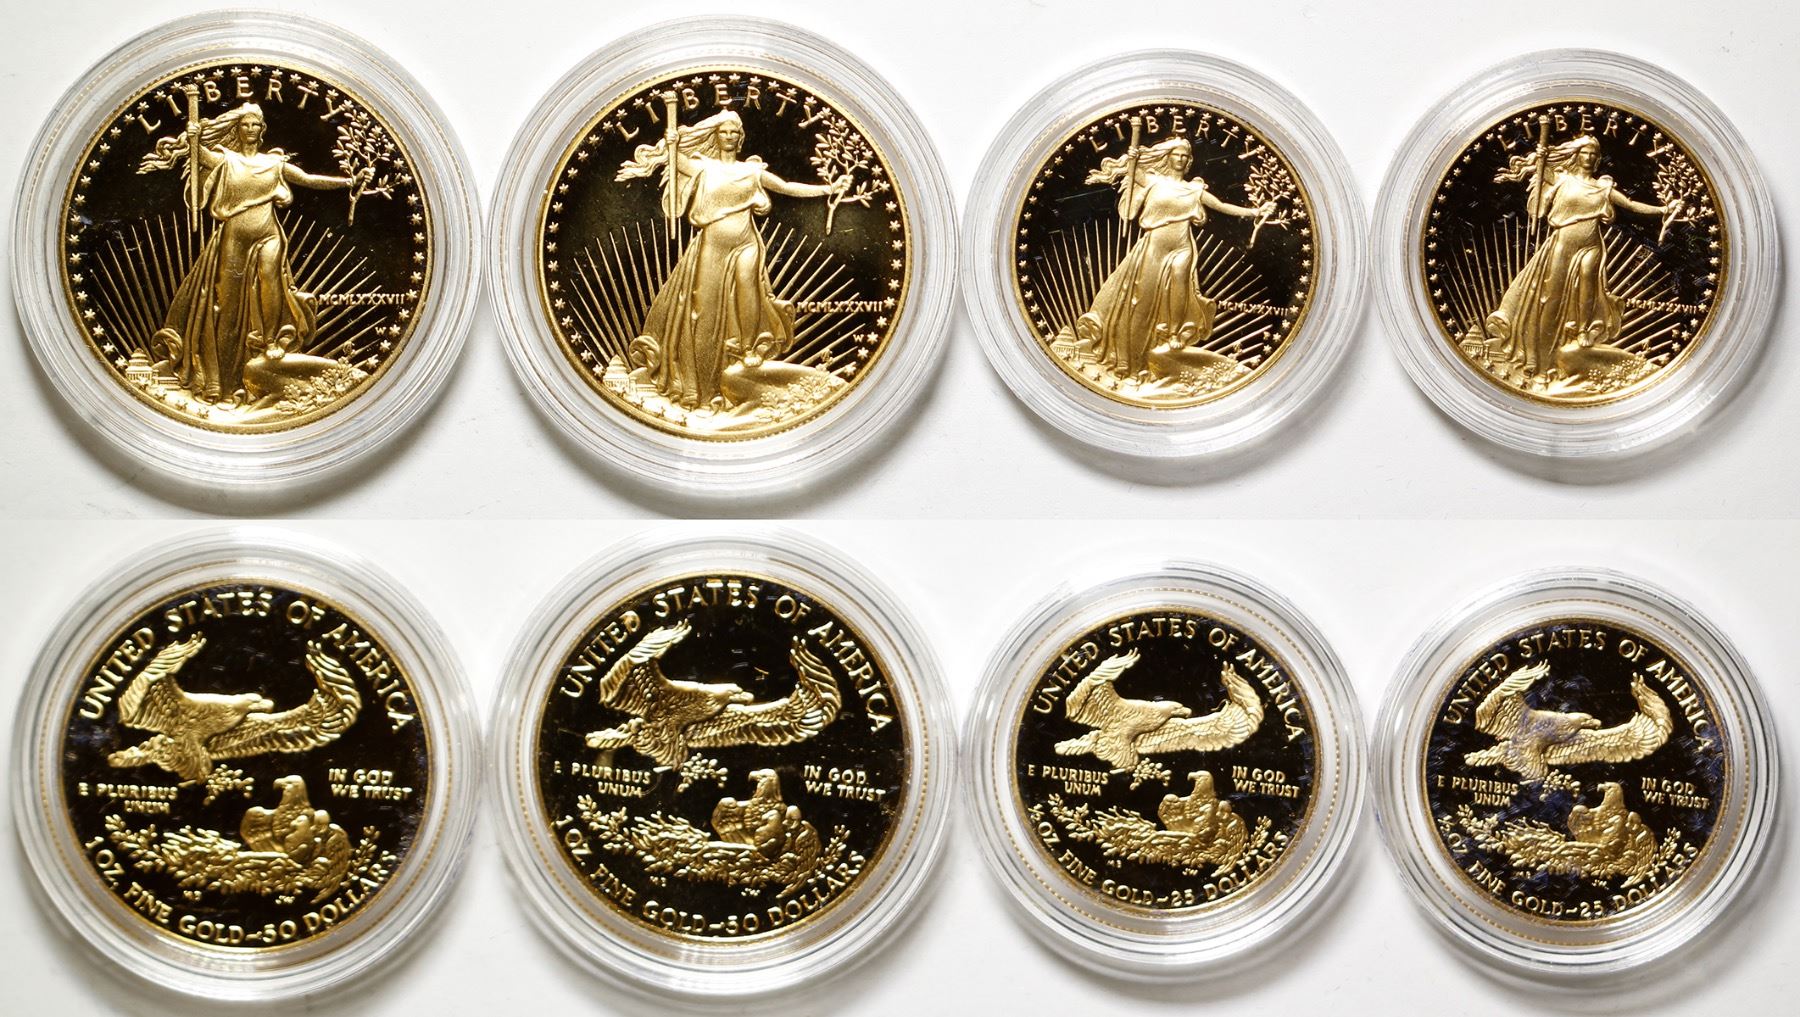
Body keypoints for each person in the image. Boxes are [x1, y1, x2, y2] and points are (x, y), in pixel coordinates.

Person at [616, 109, 848, 410]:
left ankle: (749, 350)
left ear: (740, 139)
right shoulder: (703, 167)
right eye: (724, 131)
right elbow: (676, 160)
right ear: (716, 136)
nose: (728, 136)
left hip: (746, 242)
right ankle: (698, 383)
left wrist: (829, 189)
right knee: (702, 309)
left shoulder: (752, 172)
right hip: (712, 244)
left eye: (734, 132)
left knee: (747, 292)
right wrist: (670, 142)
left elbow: (787, 187)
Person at [141, 103, 367, 404]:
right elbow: (201, 156)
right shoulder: (227, 159)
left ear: (262, 130)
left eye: (255, 125)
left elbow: (309, 179)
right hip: (234, 236)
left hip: (268, 233)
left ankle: (271, 341)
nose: (250, 129)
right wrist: (192, 137)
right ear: (238, 129)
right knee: (227, 301)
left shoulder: (274, 163)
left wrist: (350, 182)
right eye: (245, 124)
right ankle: (219, 377)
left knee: (270, 282)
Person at [1465, 135, 1679, 382]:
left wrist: (1663, 210)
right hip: (1563, 244)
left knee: (1588, 284)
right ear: (1576, 155)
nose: (1589, 157)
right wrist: (1541, 176)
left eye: (1593, 154)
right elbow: (1539, 210)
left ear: (1598, 160)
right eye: (1585, 152)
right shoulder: (1562, 180)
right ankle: (1539, 359)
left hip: (1591, 244)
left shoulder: (1603, 187)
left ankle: (1583, 331)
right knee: (1550, 297)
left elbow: (1630, 204)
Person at [1075, 137, 1274, 378]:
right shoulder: (1153, 181)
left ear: (1189, 161)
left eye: (1184, 156)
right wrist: (1132, 157)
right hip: (1154, 246)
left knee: (1180, 284)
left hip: (1182, 246)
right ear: (1167, 157)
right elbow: (1132, 174)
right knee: (1141, 299)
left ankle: (1174, 334)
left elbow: (1221, 205)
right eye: (1176, 155)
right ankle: (1129, 357)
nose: (1180, 159)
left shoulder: (1194, 189)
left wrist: (1255, 211)